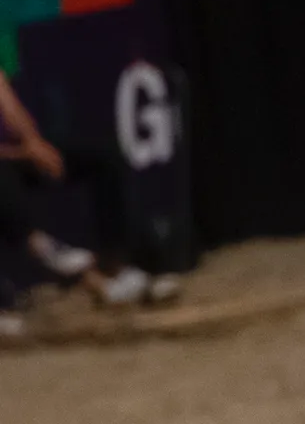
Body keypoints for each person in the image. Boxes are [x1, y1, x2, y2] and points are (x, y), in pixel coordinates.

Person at [0, 69, 180, 307]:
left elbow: (10, 106)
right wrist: (23, 153)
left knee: (103, 158)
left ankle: (117, 269)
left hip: (14, 158)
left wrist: (34, 143)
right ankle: (91, 280)